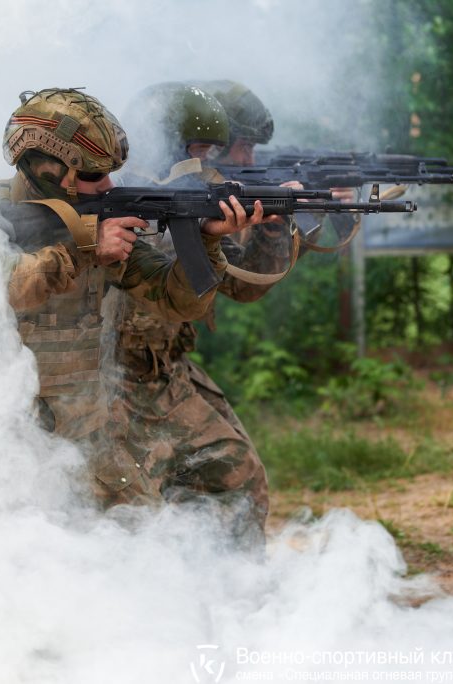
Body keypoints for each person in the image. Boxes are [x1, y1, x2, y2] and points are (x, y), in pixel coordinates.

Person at [0, 87, 268, 508]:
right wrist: (85, 249)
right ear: (48, 168)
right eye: (92, 175)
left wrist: (207, 242)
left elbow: (176, 301)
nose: (108, 185)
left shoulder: (98, 221)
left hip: (87, 435)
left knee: (145, 538)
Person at [103, 82, 297, 544]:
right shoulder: (111, 207)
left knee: (235, 477)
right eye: (200, 153)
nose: (211, 165)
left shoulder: (187, 206)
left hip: (166, 372)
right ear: (167, 145)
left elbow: (238, 283)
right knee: (127, 521)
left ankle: (230, 596)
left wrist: (272, 227)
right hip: (109, 383)